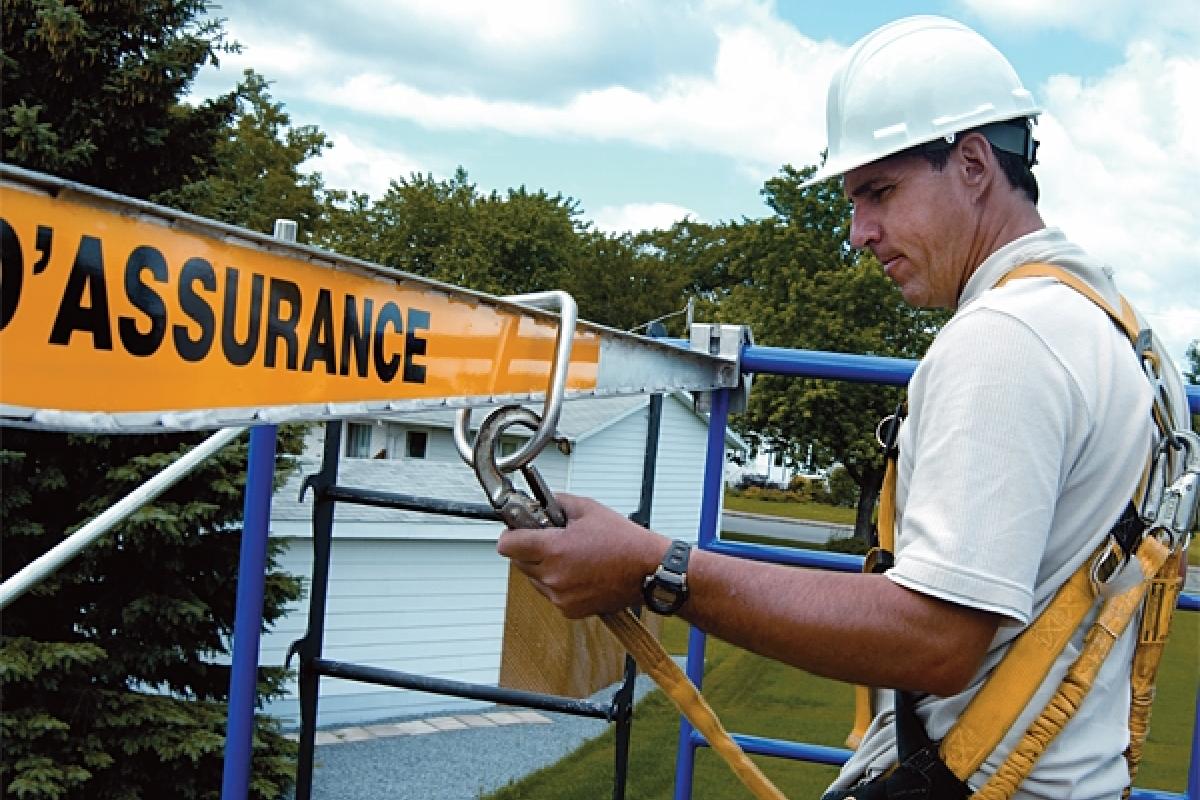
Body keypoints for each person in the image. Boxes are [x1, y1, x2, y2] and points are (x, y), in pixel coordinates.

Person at [497, 15, 1191, 800]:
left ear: (971, 165)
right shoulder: (1117, 331)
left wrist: (654, 570)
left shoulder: (1005, 341)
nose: (859, 233)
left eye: (880, 192)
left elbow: (935, 638)